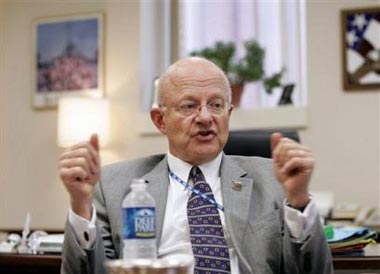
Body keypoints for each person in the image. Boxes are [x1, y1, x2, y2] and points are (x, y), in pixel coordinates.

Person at [59, 57, 333, 274]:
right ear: (160, 120)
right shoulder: (113, 185)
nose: (205, 117)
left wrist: (298, 200)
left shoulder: (273, 178)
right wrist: (80, 206)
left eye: (215, 105)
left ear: (229, 113)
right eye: (189, 106)